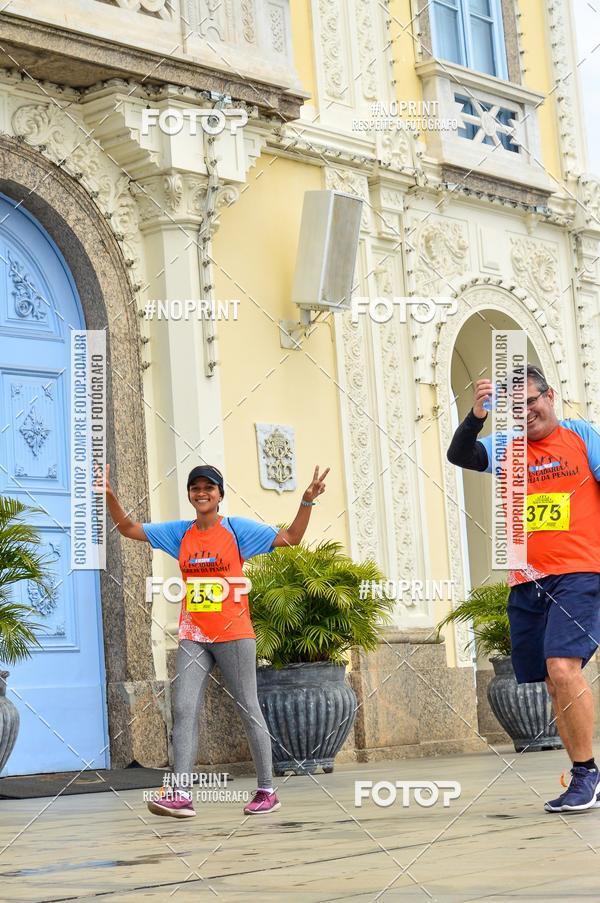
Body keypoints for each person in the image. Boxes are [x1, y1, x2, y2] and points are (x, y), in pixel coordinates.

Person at [103, 462, 329, 817]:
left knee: (247, 706)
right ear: (191, 495)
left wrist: (306, 501)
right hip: (194, 633)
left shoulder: (237, 530)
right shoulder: (181, 533)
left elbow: (291, 538)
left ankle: (267, 790)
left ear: (220, 495)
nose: (202, 492)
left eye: (209, 487)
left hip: (233, 634)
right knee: (183, 707)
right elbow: (128, 528)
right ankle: (180, 794)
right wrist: (110, 497)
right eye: (196, 487)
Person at [447, 364, 600, 812]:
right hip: (528, 582)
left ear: (549, 396)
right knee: (552, 682)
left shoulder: (580, 435)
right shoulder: (508, 448)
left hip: (580, 573)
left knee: (563, 667)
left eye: (531, 401)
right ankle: (585, 776)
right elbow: (461, 455)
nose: (526, 412)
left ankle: (586, 776)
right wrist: (476, 414)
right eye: (516, 408)